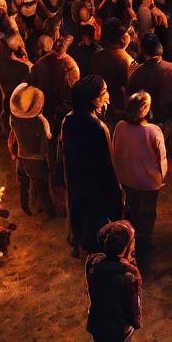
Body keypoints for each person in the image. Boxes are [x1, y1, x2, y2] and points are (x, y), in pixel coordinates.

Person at [62, 75, 123, 257]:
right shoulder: (97, 126)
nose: (107, 97)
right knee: (96, 218)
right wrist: (117, 191)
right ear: (94, 99)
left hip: (75, 180)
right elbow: (108, 163)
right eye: (104, 93)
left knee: (79, 212)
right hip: (96, 183)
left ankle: (79, 243)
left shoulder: (69, 119)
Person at [112, 92, 167, 276]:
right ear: (146, 110)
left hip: (127, 179)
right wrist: (160, 177)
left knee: (132, 212)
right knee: (147, 218)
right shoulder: (153, 131)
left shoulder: (120, 126)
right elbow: (162, 159)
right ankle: (144, 261)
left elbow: (116, 149)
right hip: (148, 183)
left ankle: (129, 251)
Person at [8, 83, 53, 216]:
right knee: (41, 186)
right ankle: (49, 210)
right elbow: (44, 146)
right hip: (36, 160)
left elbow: (12, 138)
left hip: (21, 158)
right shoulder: (40, 123)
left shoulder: (14, 119)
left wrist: (13, 152)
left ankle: (26, 208)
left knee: (23, 184)